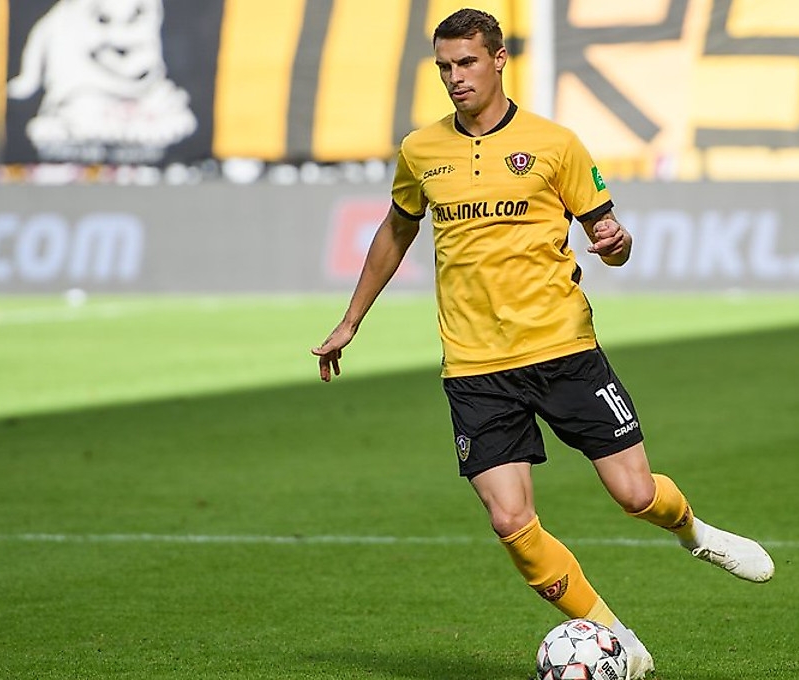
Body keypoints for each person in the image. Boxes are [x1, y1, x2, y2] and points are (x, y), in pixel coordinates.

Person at [312, 9, 774, 678]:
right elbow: (396, 229)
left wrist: (617, 244)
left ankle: (695, 533)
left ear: (499, 59)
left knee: (635, 494)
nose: (455, 77)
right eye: (444, 66)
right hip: (474, 367)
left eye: (466, 62)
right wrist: (351, 319)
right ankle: (619, 640)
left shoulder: (555, 144)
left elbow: (609, 237)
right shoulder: (420, 151)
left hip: (563, 350)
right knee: (510, 522)